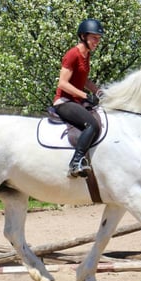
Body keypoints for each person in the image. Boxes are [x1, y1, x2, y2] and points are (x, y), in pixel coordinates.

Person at [53, 18, 103, 178]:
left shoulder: (86, 55)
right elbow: (62, 83)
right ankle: (75, 163)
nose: (97, 41)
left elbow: (84, 80)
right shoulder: (72, 54)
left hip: (77, 101)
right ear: (83, 36)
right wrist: (85, 95)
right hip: (64, 102)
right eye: (94, 38)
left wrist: (99, 92)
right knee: (92, 125)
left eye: (99, 38)